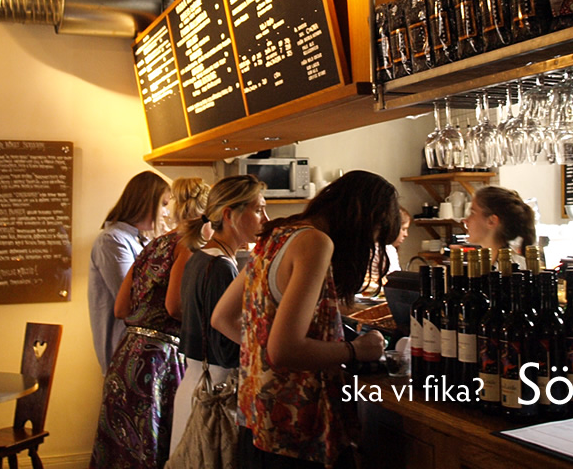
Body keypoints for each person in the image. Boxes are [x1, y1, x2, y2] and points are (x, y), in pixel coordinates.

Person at [212, 170, 396, 468]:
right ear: (363, 220)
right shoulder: (315, 242)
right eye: (372, 238)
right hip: (298, 431)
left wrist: (264, 357)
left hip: (258, 422)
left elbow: (222, 317)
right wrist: (356, 350)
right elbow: (284, 349)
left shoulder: (276, 235)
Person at [90, 177, 209, 469]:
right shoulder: (187, 245)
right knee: (157, 446)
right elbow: (175, 307)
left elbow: (121, 308)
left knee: (122, 448)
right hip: (158, 360)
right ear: (207, 216)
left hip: (127, 355)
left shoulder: (153, 243)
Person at [170, 174, 268, 453]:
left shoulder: (202, 256)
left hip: (196, 385)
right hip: (215, 391)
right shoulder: (220, 267)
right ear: (229, 215)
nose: (266, 219)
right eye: (258, 209)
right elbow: (224, 346)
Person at [88, 171, 171, 375]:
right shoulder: (113, 240)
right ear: (146, 203)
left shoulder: (138, 239)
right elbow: (134, 298)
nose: (166, 213)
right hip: (123, 350)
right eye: (163, 205)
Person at [461, 185, 536, 268]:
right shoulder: (483, 264)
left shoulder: (515, 268)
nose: (465, 220)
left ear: (491, 221)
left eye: (472, 213)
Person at [360, 206, 411, 297]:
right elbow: (395, 282)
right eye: (403, 229)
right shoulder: (387, 250)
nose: (406, 234)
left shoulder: (370, 247)